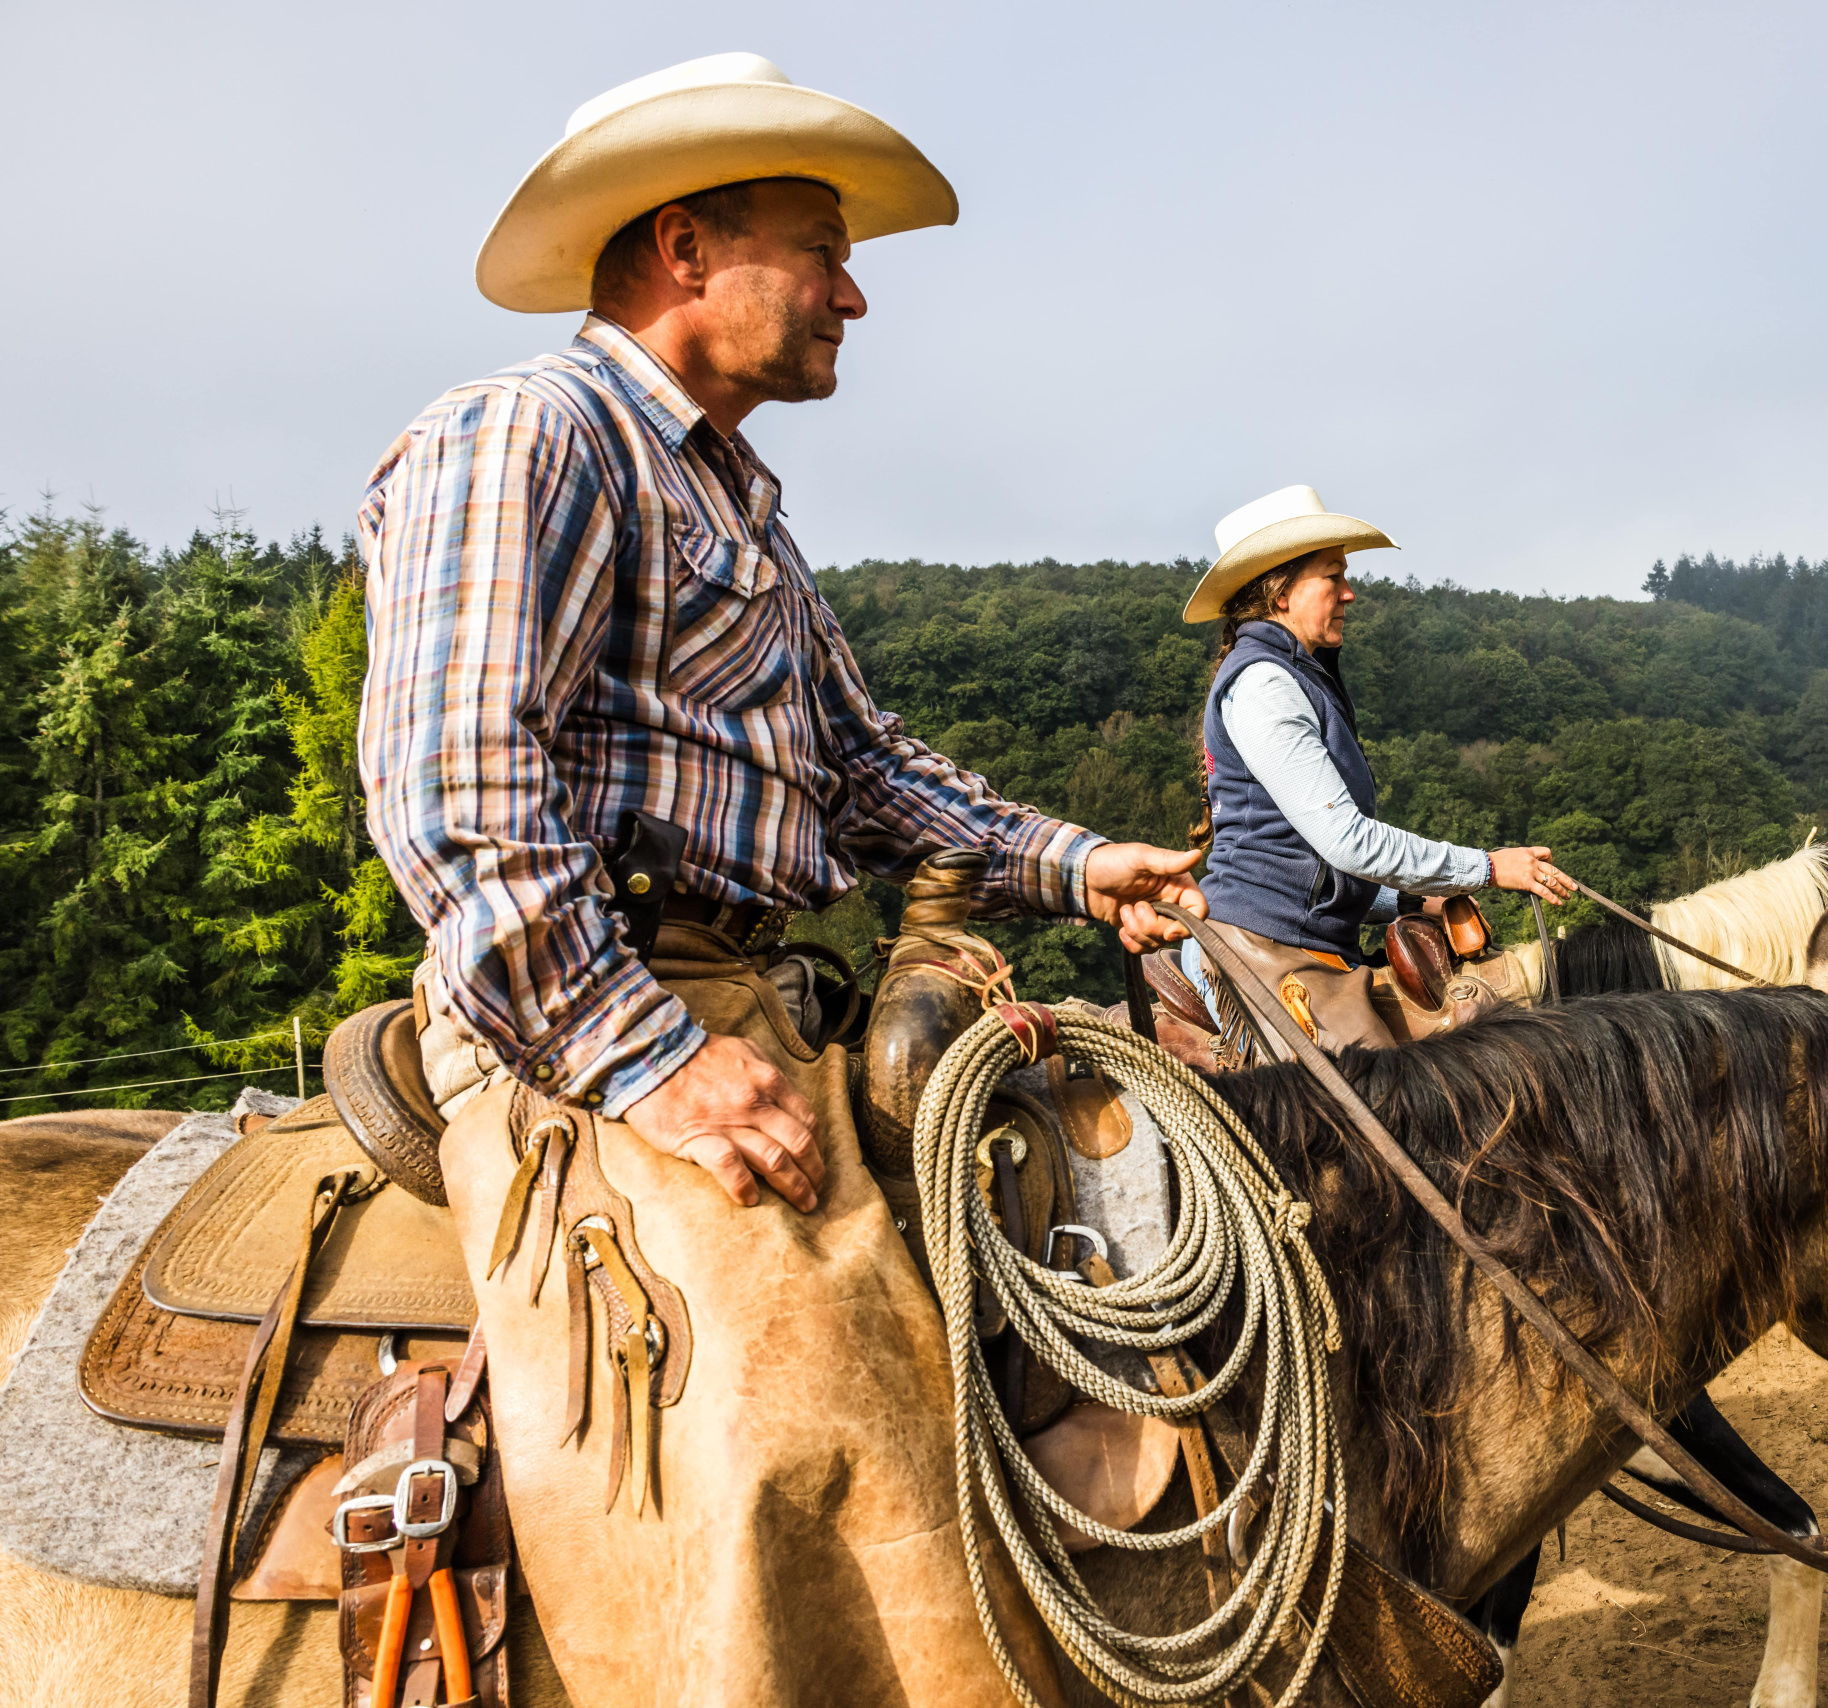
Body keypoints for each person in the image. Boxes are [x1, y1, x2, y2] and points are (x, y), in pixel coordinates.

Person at [356, 54, 1198, 1707]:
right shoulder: (530, 431)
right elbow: (453, 790)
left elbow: (869, 774)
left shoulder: (737, 502)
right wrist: (658, 1063)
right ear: (685, 247)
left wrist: (1086, 864)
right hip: (582, 1011)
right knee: (807, 1406)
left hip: (749, 985)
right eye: (821, 248)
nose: (855, 294)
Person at [1178, 485, 1570, 1051]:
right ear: (1279, 591)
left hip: (1293, 940)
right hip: (1261, 949)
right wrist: (1485, 867)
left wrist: (1412, 901)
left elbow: (1313, 875)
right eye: (1332, 576)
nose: (1349, 592)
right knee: (1384, 1114)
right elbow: (1347, 844)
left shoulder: (1292, 674)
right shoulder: (1265, 683)